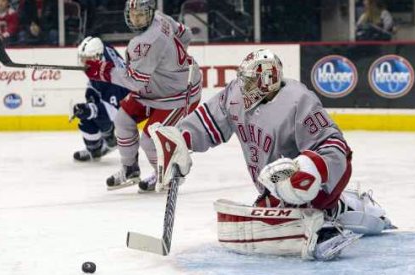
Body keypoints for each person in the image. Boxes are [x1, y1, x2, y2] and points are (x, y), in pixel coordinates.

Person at [148, 49, 395, 260]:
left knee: (292, 189)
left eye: (249, 81)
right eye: (242, 80)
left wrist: (308, 170)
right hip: (272, 188)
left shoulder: (299, 101)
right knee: (271, 203)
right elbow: (208, 122)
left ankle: (334, 211)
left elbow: (335, 148)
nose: (242, 86)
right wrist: (179, 139)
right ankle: (334, 207)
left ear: (267, 80)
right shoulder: (235, 94)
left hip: (308, 182)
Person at [83, 0, 202, 191]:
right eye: (132, 14)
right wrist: (168, 63)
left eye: (140, 14)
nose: (136, 19)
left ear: (150, 12)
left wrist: (102, 71)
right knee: (122, 120)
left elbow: (134, 82)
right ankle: (130, 169)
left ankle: (166, 174)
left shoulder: (146, 42)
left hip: (177, 95)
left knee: (149, 140)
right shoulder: (161, 18)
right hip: (154, 89)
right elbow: (185, 34)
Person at [72, 36, 129, 162]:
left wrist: (91, 110)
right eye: (82, 59)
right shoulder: (102, 51)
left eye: (86, 60)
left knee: (90, 114)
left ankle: (108, 137)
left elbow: (114, 112)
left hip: (123, 99)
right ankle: (95, 147)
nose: (83, 63)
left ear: (97, 57)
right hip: (109, 88)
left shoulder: (113, 78)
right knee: (89, 105)